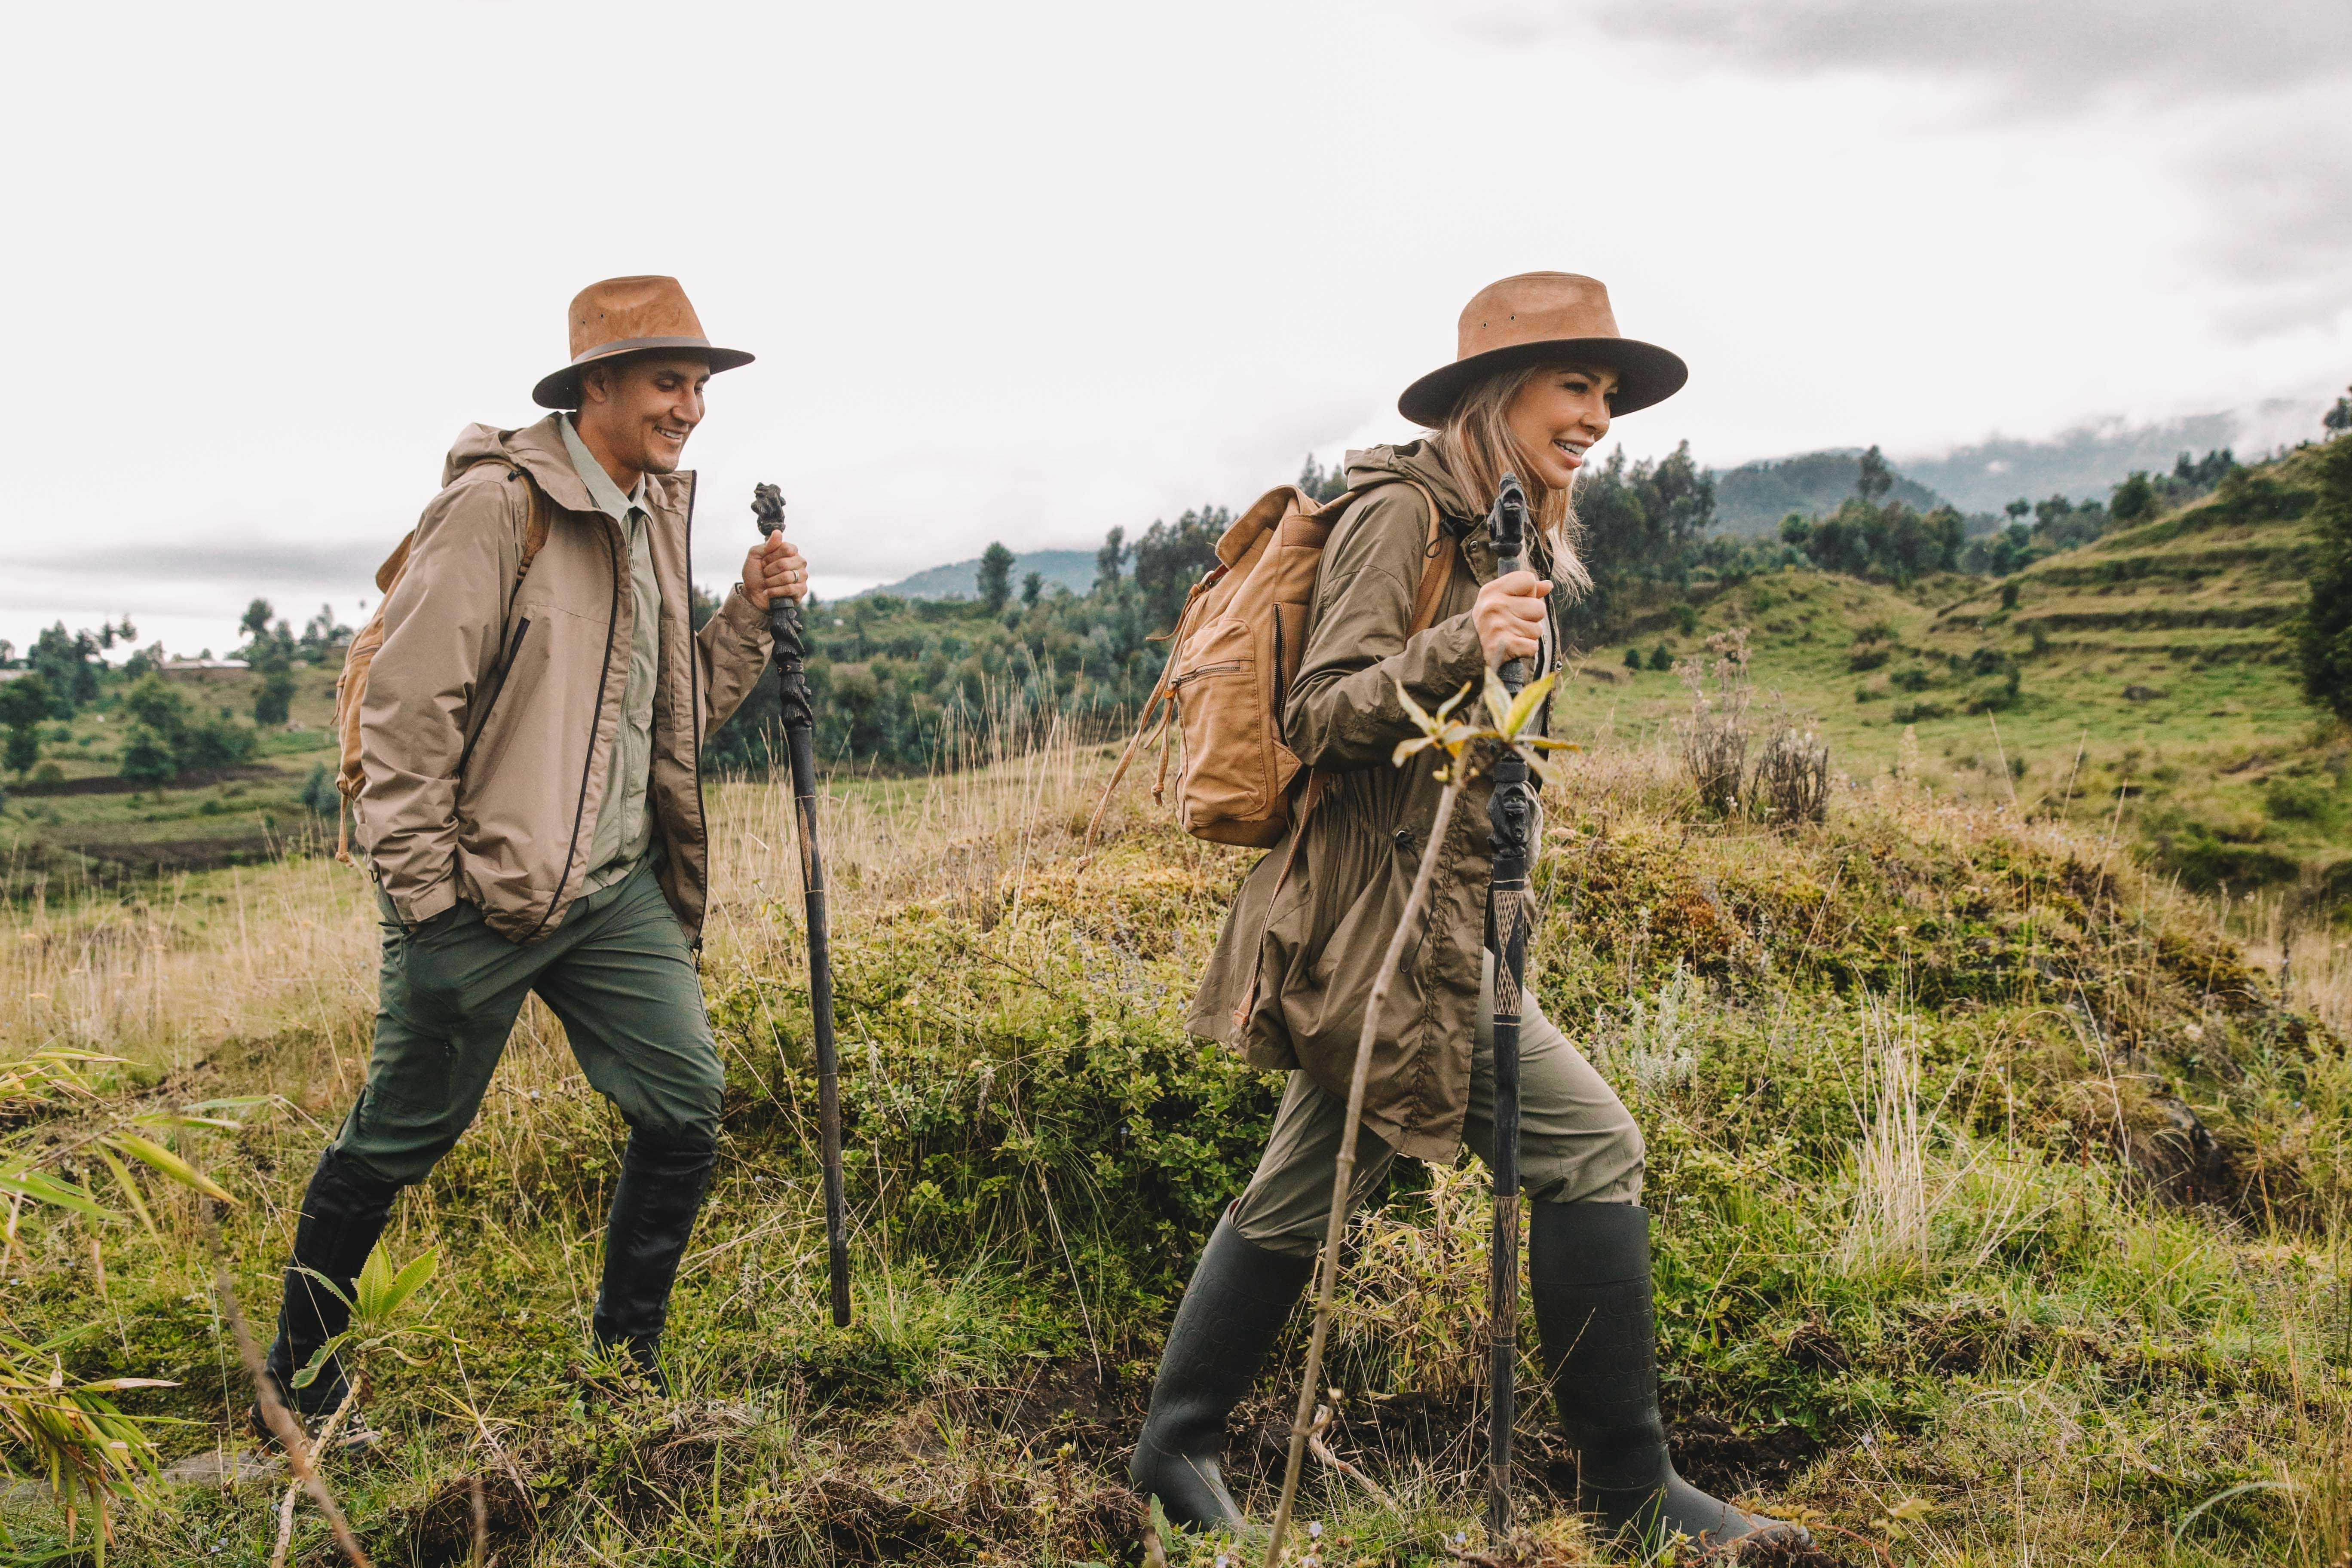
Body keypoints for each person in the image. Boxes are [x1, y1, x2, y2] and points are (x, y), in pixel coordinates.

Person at [1130, 273, 1807, 1556]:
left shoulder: (1510, 532)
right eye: (1576, 387)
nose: (1599, 418)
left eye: (1608, 395)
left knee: (1302, 1192)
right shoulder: (1402, 512)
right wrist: (1461, 645)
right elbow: (1319, 713)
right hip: (1379, 928)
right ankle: (1630, 1498)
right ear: (1503, 392)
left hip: (1442, 928)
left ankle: (1174, 1446)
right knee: (1591, 1148)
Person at [257, 276, 809, 1436]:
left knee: (685, 1107)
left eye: (701, 387)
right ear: (596, 386)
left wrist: (750, 615)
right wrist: (425, 896)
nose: (693, 408)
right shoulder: (496, 509)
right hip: (481, 903)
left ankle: (622, 1377)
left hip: (612, 896)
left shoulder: (653, 514)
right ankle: (297, 1383)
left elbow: (670, 714)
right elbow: (408, 714)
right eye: (671, 382)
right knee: (400, 1136)